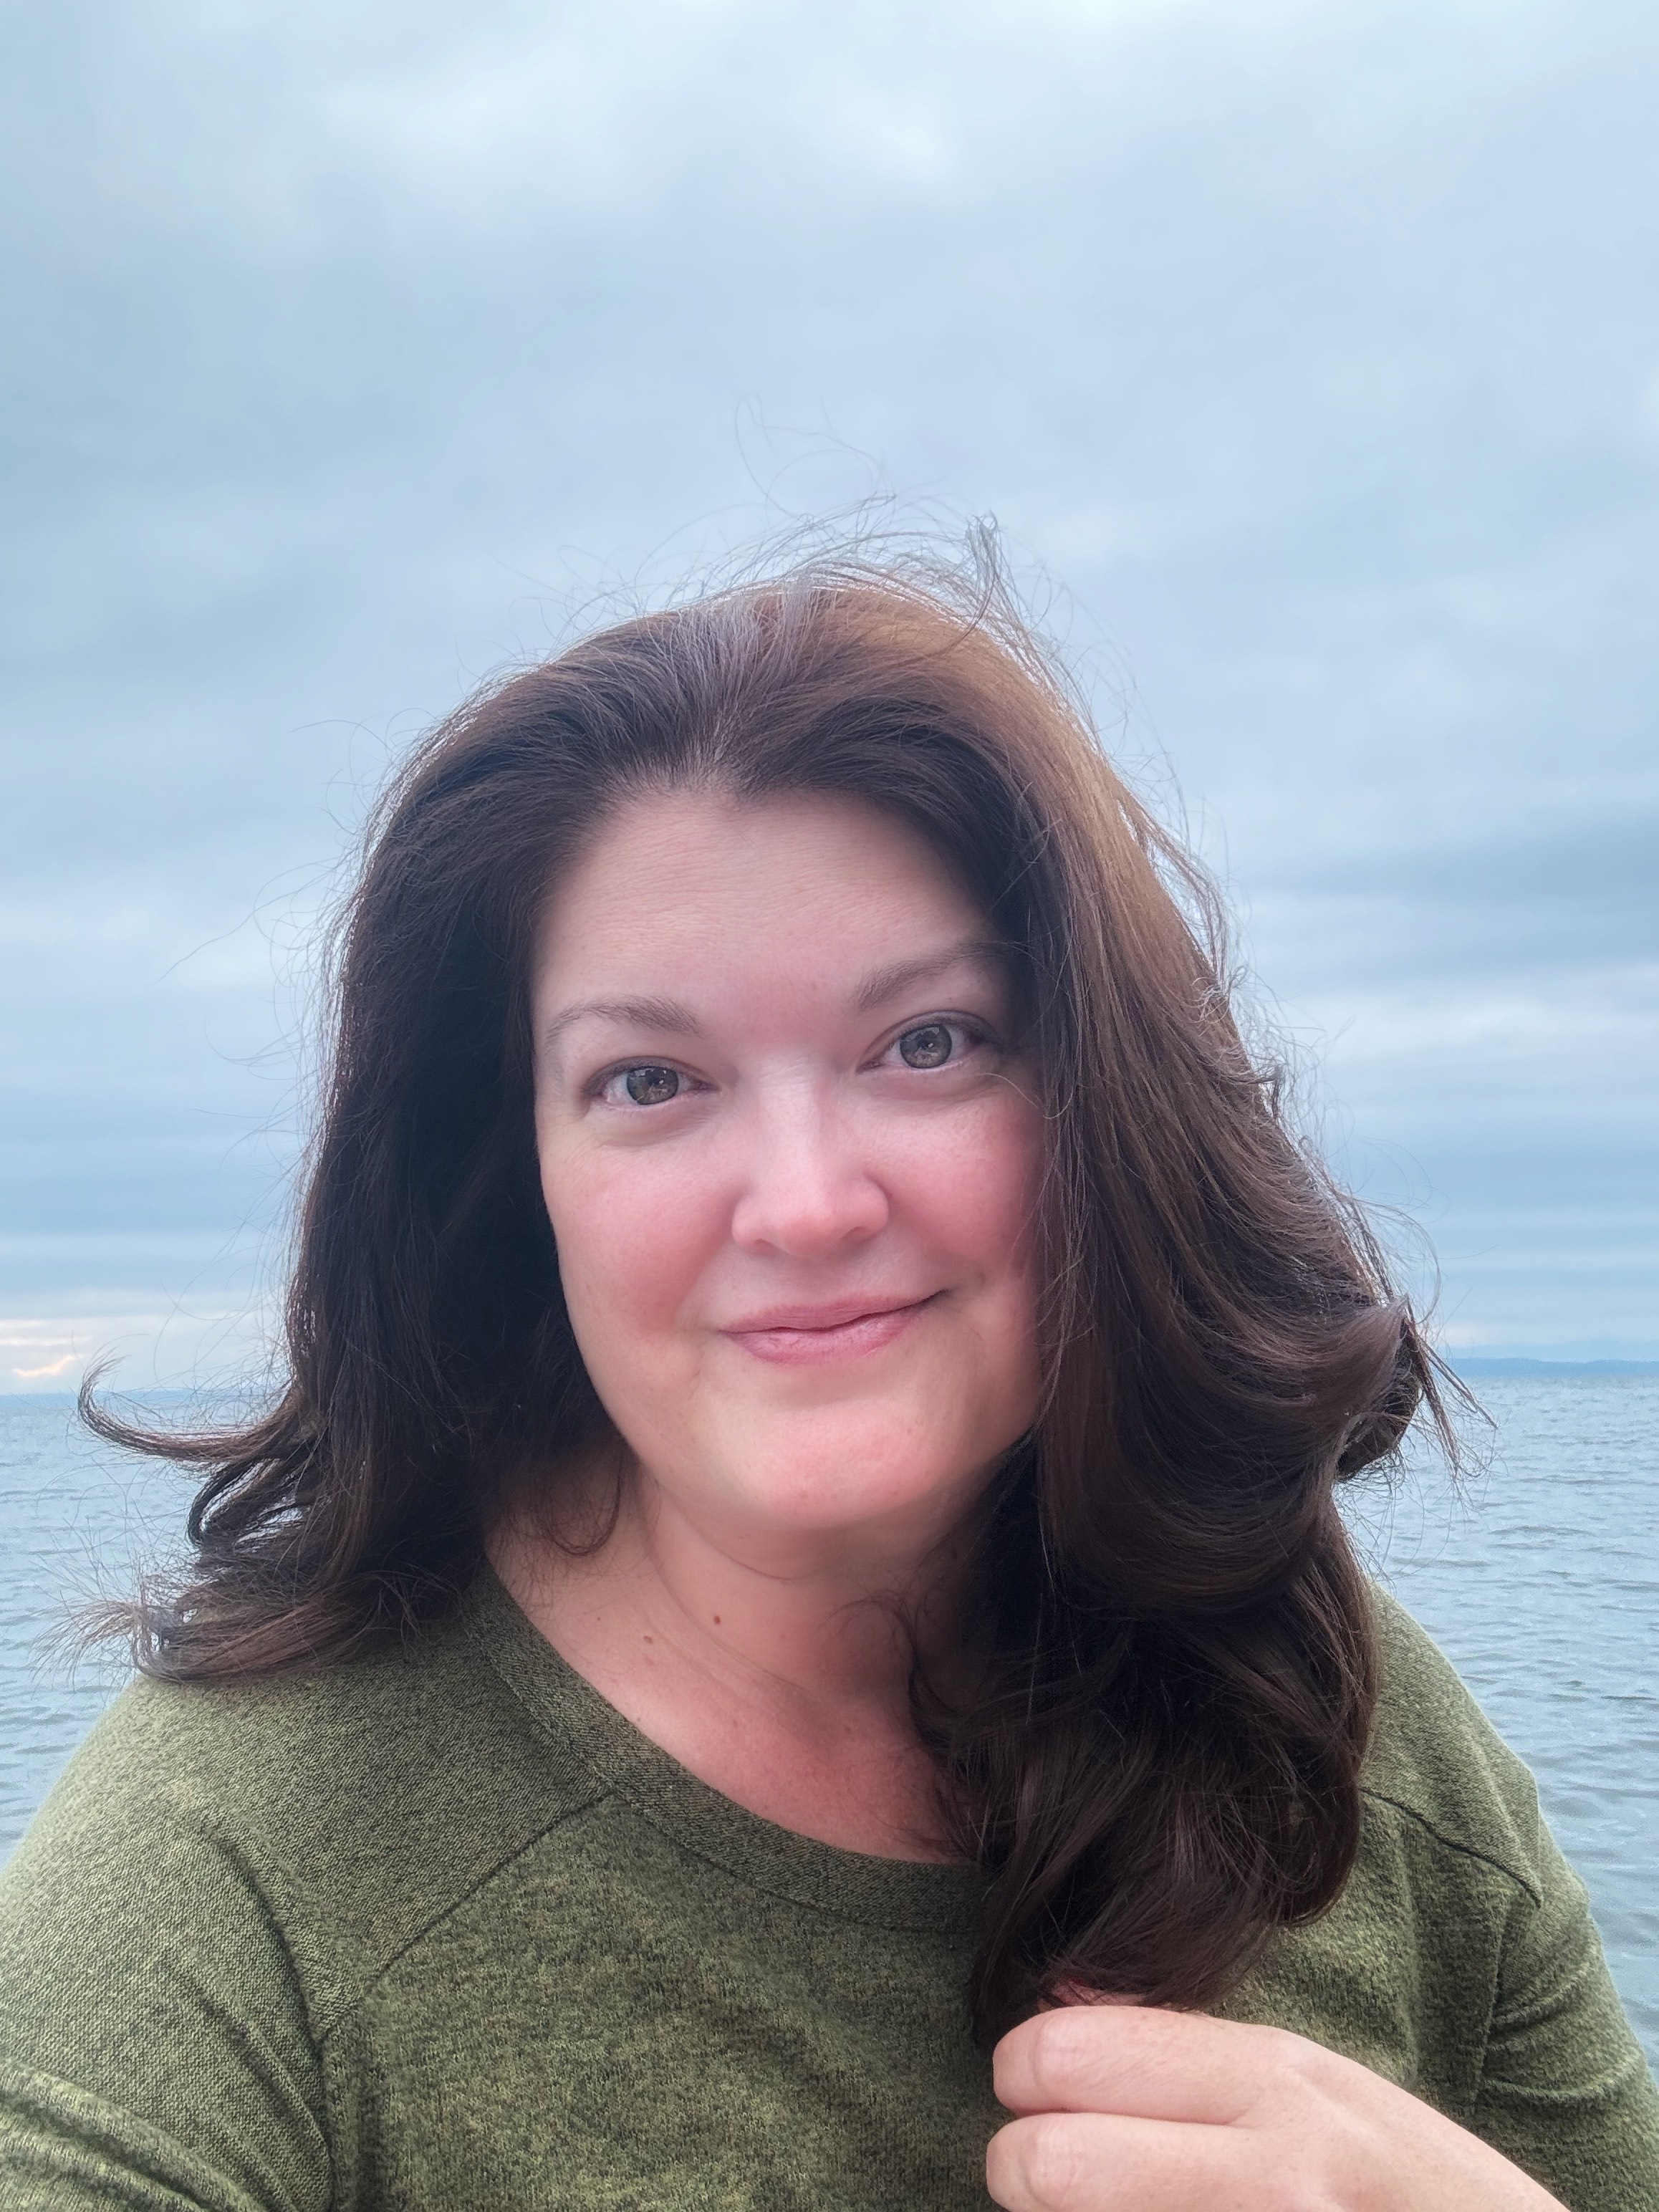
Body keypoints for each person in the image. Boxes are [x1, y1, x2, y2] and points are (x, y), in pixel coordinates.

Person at [0, 549, 1654, 2212]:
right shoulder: (234, 1869)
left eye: (928, 1042)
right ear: (516, 1175)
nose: (802, 1205)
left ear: (1107, 1106)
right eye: (651, 1078)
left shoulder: (1340, 1712)